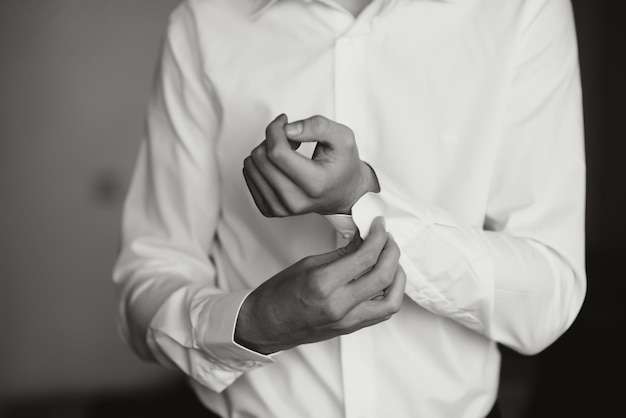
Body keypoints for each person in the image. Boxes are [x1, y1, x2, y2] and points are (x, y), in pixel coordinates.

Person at [112, 0, 586, 417]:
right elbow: (149, 276)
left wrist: (361, 198)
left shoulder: (522, 8)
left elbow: (549, 294)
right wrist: (258, 322)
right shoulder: (203, 22)